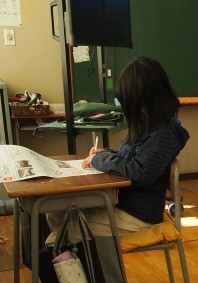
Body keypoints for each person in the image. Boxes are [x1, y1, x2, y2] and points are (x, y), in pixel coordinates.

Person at [46, 56, 190, 245]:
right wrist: (105, 153)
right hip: (126, 207)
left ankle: (85, 258)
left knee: (59, 236)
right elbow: (130, 158)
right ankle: (88, 258)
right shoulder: (149, 124)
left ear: (145, 99)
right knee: (54, 213)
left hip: (139, 217)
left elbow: (139, 172)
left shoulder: (165, 132)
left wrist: (100, 159)